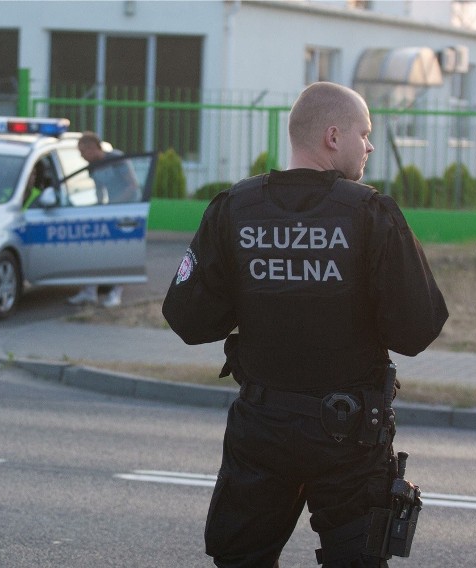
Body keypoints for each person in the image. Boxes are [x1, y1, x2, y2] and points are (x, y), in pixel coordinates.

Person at [162, 82, 448, 567]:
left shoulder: (235, 209)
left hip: (263, 430)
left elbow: (188, 319)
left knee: (242, 558)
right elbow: (418, 329)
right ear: (333, 136)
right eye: (365, 133)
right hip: (350, 438)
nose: (370, 146)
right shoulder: (370, 214)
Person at [66, 131, 140, 308]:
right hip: (110, 210)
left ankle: (116, 293)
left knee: (119, 253)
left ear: (93, 148)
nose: (81, 156)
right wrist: (99, 208)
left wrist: (114, 204)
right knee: (97, 250)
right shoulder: (93, 166)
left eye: (83, 151)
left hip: (127, 211)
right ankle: (89, 292)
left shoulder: (116, 158)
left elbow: (132, 186)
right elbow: (100, 189)